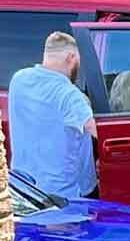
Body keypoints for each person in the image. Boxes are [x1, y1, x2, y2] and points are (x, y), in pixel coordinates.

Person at [9, 32, 98, 199]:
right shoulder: (69, 95)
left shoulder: (18, 80)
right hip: (64, 198)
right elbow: (101, 132)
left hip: (24, 193)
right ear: (71, 57)